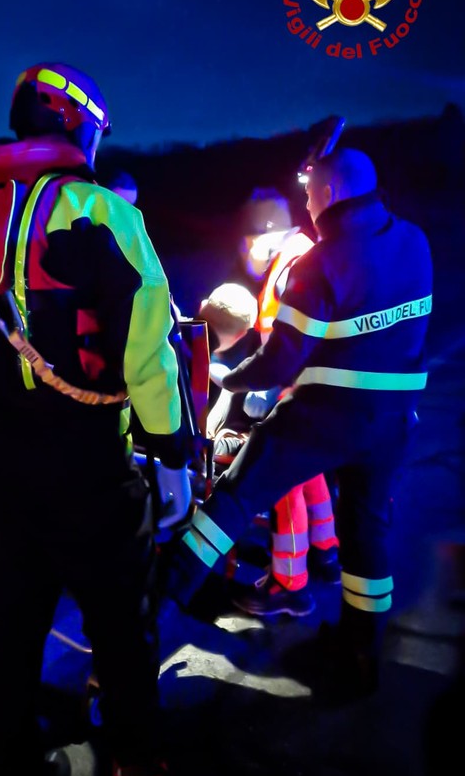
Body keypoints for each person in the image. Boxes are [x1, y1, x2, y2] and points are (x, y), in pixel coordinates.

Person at [0, 61, 192, 776]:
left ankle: (18, 773)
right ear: (80, 124)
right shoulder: (101, 211)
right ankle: (137, 765)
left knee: (6, 629)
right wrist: (171, 453)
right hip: (91, 463)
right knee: (122, 628)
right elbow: (147, 348)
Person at [166, 147, 433, 701]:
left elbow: (281, 363)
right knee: (367, 533)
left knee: (234, 498)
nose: (306, 203)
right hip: (394, 423)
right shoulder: (415, 242)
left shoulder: (319, 264)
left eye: (310, 193)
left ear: (331, 194)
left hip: (326, 415)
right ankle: (363, 650)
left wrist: (229, 381)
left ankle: (150, 610)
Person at [217, 189, 341, 618]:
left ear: (267, 233)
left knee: (279, 480)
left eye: (248, 239)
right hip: (315, 390)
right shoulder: (303, 256)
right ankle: (326, 553)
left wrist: (260, 390)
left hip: (297, 388)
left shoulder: (293, 268)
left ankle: (289, 583)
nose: (245, 250)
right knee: (311, 475)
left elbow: (293, 345)